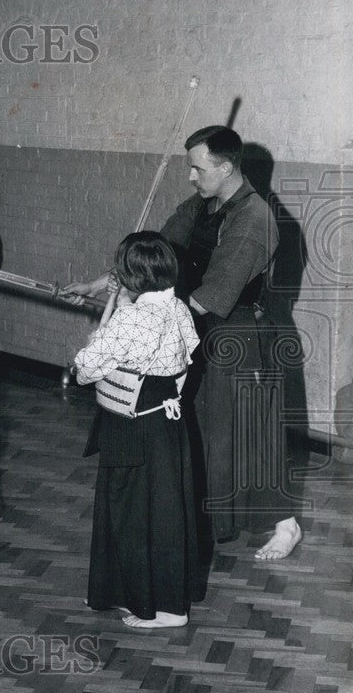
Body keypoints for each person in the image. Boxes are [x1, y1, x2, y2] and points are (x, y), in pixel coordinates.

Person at [64, 126, 302, 561]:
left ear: (226, 167)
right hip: (193, 325)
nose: (191, 176)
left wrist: (150, 323)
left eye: (198, 167)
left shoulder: (253, 218)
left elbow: (215, 293)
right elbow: (156, 257)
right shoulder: (202, 203)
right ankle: (208, 518)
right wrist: (103, 283)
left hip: (238, 332)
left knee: (248, 428)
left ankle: (286, 524)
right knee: (203, 426)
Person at [74, 232, 204, 628]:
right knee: (162, 509)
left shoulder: (132, 317)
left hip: (132, 425)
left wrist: (113, 304)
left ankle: (165, 610)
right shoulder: (179, 308)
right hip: (167, 420)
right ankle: (131, 593)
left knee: (131, 510)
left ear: (130, 277)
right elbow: (188, 357)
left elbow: (84, 368)